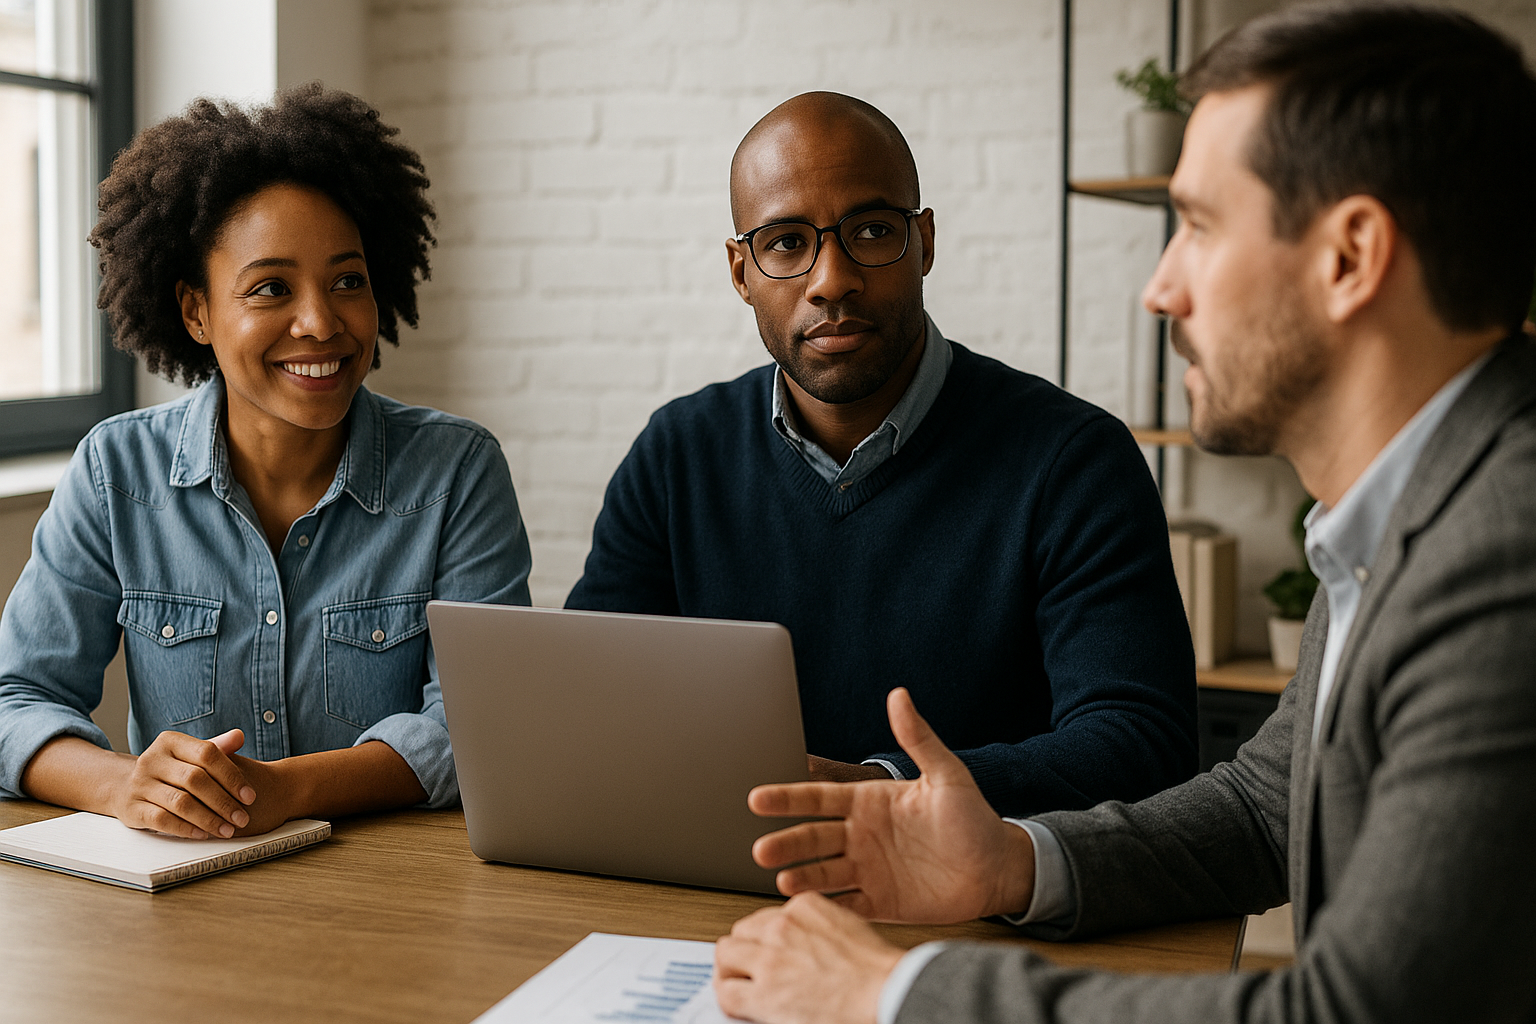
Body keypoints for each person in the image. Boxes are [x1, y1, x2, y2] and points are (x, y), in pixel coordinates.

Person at [711, 5, 1536, 1023]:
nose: (1161, 289)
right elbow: (1265, 806)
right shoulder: (1409, 512)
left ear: (1350, 256)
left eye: (1197, 225)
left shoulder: (1503, 550)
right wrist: (1010, 863)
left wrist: (897, 990)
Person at [565, 91, 1197, 817]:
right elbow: (592, 713)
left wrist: (889, 794)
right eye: (786, 243)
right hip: (727, 886)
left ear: (924, 242)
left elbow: (1145, 744)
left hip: (976, 908)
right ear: (741, 273)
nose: (832, 280)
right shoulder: (675, 457)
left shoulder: (1074, 462)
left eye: (869, 231)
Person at [0, 85, 533, 839]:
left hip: (396, 896)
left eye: (348, 281)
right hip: (183, 896)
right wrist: (127, 786)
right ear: (196, 311)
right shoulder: (115, 472)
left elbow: (481, 729)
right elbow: (14, 699)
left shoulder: (456, 472)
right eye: (272, 288)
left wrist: (282, 790)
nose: (321, 322)